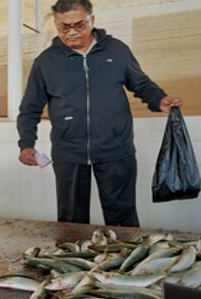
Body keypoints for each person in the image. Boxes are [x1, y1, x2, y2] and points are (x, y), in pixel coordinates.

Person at [16, 0, 182, 227]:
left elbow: (142, 85)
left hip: (116, 149)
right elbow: (29, 108)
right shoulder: (46, 62)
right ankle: (74, 258)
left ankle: (125, 260)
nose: (72, 32)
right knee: (71, 220)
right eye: (65, 27)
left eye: (79, 25)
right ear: (56, 26)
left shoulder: (116, 50)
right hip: (69, 152)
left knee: (121, 216)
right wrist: (26, 143)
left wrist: (159, 99)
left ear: (91, 21)